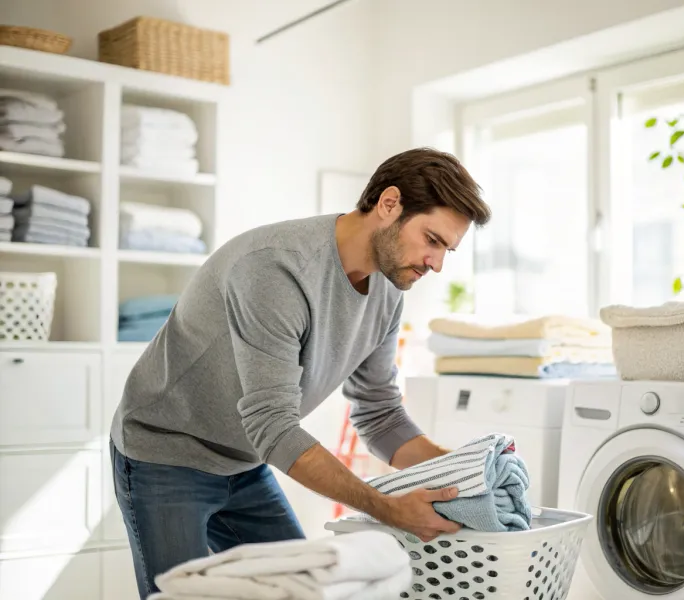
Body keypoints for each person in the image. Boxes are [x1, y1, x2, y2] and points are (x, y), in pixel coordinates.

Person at [109, 147, 492, 599]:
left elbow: (381, 414)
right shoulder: (276, 268)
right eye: (432, 239)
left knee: (305, 591)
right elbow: (271, 424)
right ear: (389, 205)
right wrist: (389, 509)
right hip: (165, 453)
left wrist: (471, 476)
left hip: (245, 461)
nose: (437, 263)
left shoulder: (389, 292)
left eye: (447, 249)